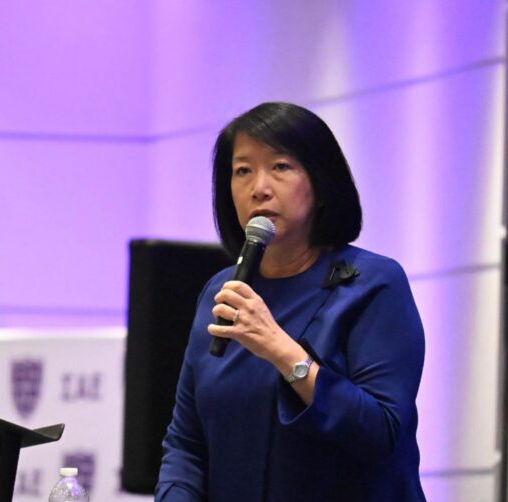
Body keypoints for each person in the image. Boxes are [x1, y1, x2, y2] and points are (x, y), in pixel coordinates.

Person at [155, 102, 426, 501]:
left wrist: (281, 349)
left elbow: (381, 433)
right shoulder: (221, 291)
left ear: (320, 182)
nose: (259, 188)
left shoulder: (373, 284)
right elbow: (186, 444)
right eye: (243, 170)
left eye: (280, 166)